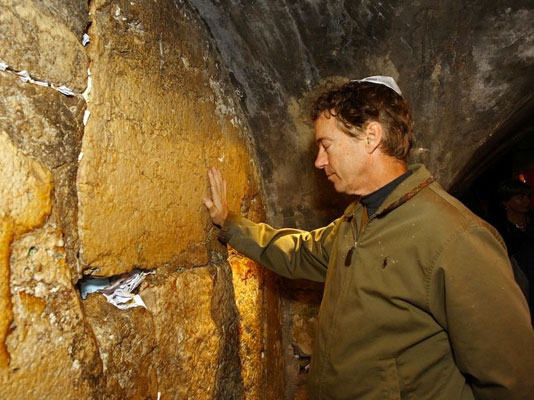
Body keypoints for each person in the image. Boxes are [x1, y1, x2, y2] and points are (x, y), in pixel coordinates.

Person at [203, 77, 534, 399]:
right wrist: (229, 223)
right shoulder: (357, 219)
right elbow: (299, 252)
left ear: (371, 136)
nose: (319, 161)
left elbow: (511, 381)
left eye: (326, 145)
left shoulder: (457, 238)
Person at [495, 179, 534, 318]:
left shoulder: (532, 221)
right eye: (520, 198)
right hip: (518, 282)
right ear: (506, 202)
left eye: (527, 197)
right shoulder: (500, 228)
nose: (526, 201)